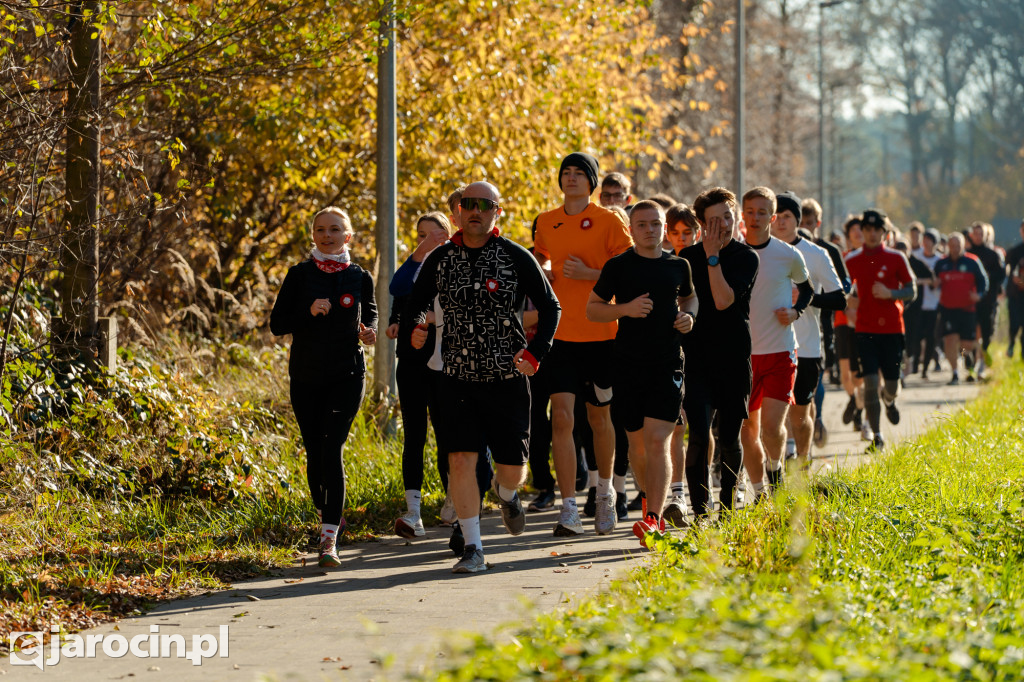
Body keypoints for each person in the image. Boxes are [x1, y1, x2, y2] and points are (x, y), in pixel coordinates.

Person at [403, 181, 560, 573]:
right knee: (460, 460)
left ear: (496, 212)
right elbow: (414, 304)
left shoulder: (515, 256)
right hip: (456, 378)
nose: (475, 211)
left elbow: (551, 307)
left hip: (506, 377)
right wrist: (417, 328)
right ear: (458, 211)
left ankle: (506, 494)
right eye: (468, 204)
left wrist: (535, 354)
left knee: (512, 470)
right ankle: (473, 548)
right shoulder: (441, 258)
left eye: (484, 205)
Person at [270, 207, 377, 568]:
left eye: (334, 230)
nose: (327, 236)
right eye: (320, 230)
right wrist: (308, 311)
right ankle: (326, 510)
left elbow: (370, 312)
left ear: (348, 236)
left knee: (332, 449)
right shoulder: (299, 275)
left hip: (348, 374)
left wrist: (369, 331)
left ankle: (328, 538)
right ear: (313, 235)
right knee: (315, 452)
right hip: (307, 375)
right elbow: (277, 324)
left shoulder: (360, 276)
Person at [533, 152, 633, 537]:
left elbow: (629, 270)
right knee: (561, 418)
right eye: (566, 172)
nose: (571, 178)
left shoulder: (609, 220)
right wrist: (543, 271)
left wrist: (590, 273)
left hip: (602, 335)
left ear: (591, 181)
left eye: (579, 173)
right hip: (559, 336)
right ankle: (568, 508)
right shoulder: (546, 221)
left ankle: (605, 493)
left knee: (598, 419)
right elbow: (540, 259)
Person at [587, 200, 697, 546]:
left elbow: (690, 299)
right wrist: (626, 309)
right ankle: (650, 502)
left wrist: (689, 317)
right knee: (636, 444)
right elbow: (593, 310)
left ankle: (654, 519)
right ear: (631, 229)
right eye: (642, 224)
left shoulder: (678, 265)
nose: (650, 230)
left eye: (656, 224)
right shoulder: (618, 266)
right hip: (628, 364)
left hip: (668, 363)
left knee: (658, 440)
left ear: (664, 227)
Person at [678, 188, 759, 518]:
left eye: (728, 216)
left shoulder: (746, 257)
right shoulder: (687, 257)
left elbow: (724, 301)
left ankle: (727, 510)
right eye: (714, 220)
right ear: (701, 224)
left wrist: (713, 258)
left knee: (728, 437)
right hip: (696, 358)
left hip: (733, 358)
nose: (723, 225)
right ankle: (700, 512)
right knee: (698, 435)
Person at [739, 187, 812, 499]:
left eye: (762, 212)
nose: (755, 218)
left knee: (771, 428)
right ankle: (759, 493)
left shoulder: (788, 254)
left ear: (772, 217)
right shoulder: (734, 253)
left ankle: (775, 468)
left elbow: (807, 290)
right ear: (743, 214)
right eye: (750, 212)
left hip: (780, 351)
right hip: (743, 355)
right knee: (748, 430)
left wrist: (795, 312)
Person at [386, 212, 453, 539]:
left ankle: (454, 501)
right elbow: (397, 290)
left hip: (445, 361)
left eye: (434, 234)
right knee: (414, 434)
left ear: (447, 235)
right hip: (411, 361)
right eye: (421, 235)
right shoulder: (413, 265)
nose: (427, 240)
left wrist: (434, 318)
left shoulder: (454, 263)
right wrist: (395, 320)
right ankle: (413, 512)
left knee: (446, 432)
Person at [771, 192, 846, 470]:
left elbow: (839, 299)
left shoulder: (816, 254)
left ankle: (802, 465)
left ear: (797, 220)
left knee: (800, 414)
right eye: (776, 216)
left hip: (806, 345)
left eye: (787, 216)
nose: (780, 222)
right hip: (766, 346)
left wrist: (806, 298)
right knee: (769, 417)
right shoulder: (755, 252)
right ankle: (776, 469)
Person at [844, 209, 916, 451]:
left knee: (892, 385)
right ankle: (877, 436)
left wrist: (890, 293)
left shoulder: (896, 258)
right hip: (865, 330)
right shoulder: (852, 260)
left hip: (893, 329)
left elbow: (912, 290)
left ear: (884, 233)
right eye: (868, 230)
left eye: (877, 230)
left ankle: (890, 400)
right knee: (871, 382)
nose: (872, 234)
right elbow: (842, 289)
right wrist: (848, 301)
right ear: (862, 231)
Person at [799, 198, 851, 447]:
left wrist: (819, 298)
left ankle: (816, 418)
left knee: (818, 375)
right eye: (801, 222)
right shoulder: (786, 247)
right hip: (789, 323)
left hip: (823, 322)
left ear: (817, 223)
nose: (805, 227)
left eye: (809, 223)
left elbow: (845, 285)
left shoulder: (827, 251)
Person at [934, 232, 988, 385]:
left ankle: (971, 355)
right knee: (949, 340)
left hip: (967, 309)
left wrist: (979, 294)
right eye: (952, 245)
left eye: (958, 245)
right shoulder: (941, 263)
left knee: (966, 344)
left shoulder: (972, 261)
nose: (955, 248)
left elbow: (983, 281)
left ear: (963, 245)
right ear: (948, 246)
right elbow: (935, 280)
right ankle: (955, 373)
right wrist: (934, 283)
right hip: (948, 309)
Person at [836, 216, 870, 441]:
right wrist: (846, 307)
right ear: (848, 236)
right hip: (843, 320)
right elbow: (835, 286)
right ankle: (854, 401)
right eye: (853, 230)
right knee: (845, 375)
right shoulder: (843, 259)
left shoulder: (872, 258)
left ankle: (863, 414)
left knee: (863, 375)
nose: (858, 233)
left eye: (861, 229)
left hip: (866, 323)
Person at [966, 222, 1005, 376]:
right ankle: (970, 365)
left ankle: (982, 362)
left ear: (985, 235)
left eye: (981, 234)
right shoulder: (967, 255)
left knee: (986, 332)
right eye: (975, 234)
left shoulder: (992, 255)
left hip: (988, 301)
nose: (978, 236)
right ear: (971, 235)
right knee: (969, 334)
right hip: (969, 302)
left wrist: (986, 277)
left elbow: (1001, 275)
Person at [912, 229, 942, 379]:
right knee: (916, 336)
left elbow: (939, 281)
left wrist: (926, 281)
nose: (926, 243)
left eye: (929, 240)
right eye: (925, 240)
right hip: (917, 304)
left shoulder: (940, 260)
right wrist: (926, 281)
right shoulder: (916, 257)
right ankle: (915, 364)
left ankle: (925, 368)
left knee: (930, 337)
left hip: (933, 303)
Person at [1006, 219, 1024, 360]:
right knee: (1014, 323)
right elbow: (1008, 270)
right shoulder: (1015, 251)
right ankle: (1011, 343)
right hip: (1016, 295)